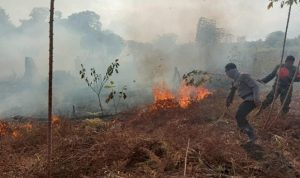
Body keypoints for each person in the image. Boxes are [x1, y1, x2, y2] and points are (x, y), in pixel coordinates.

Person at [225, 63, 261, 143]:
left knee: (239, 116)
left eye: (227, 71)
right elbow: (233, 91)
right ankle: (247, 131)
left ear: (231, 70)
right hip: (247, 100)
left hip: (251, 100)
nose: (226, 74)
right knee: (239, 116)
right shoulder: (235, 80)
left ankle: (251, 135)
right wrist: (229, 100)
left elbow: (255, 86)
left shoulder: (243, 76)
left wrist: (256, 99)